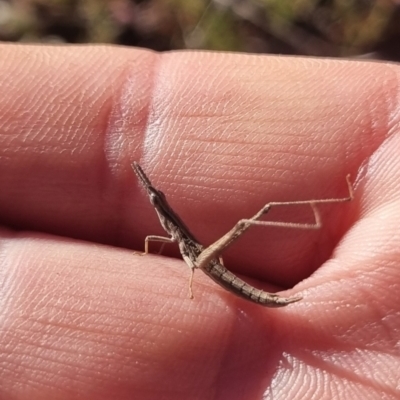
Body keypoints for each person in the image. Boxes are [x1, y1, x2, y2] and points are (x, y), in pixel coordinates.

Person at [0, 44, 398, 399]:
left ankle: (330, 205)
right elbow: (163, 238)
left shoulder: (174, 225)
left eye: (156, 199)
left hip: (206, 262)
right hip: (204, 262)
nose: (153, 201)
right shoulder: (163, 228)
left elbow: (184, 248)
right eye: (154, 199)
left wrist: (190, 268)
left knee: (251, 217)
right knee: (231, 230)